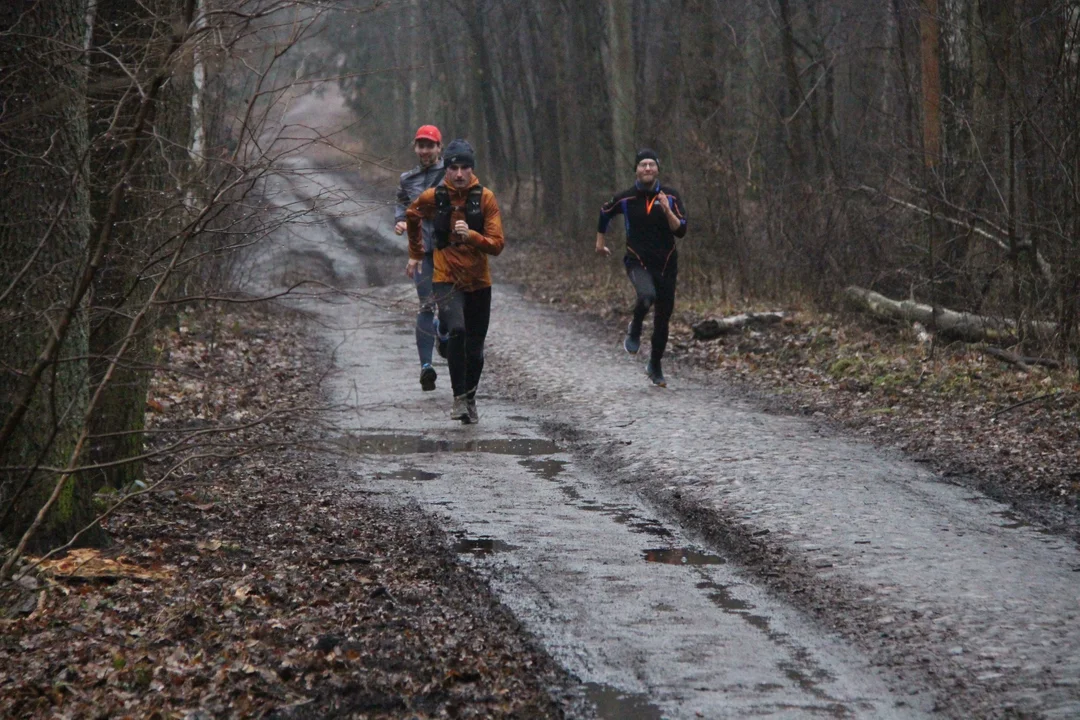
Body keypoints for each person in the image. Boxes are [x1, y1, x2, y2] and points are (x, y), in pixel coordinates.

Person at [406, 139, 504, 423]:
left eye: (464, 167)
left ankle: (470, 397)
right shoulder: (434, 197)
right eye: (453, 168)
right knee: (458, 330)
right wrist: (415, 252)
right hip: (445, 277)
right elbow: (413, 214)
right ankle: (458, 398)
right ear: (446, 169)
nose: (459, 174)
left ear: (472, 169)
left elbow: (497, 245)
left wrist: (471, 236)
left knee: (475, 348)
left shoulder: (485, 198)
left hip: (478, 280)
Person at [595, 148, 688, 387]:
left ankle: (655, 365)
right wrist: (600, 243)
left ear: (658, 169)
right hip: (638, 261)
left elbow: (681, 231)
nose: (647, 168)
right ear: (636, 170)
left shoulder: (671, 196)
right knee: (647, 296)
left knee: (663, 318)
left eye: (651, 164)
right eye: (643, 164)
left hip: (667, 263)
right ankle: (635, 327)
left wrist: (667, 209)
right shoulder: (626, 198)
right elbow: (604, 213)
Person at [397, 124, 449, 392]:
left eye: (430, 145)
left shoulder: (452, 172)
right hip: (422, 252)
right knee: (426, 305)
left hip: (450, 251)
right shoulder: (407, 179)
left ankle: (442, 332)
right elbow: (401, 203)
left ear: (439, 147)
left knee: (450, 307)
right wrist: (400, 221)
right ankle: (426, 367)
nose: (426, 150)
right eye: (421, 145)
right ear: (415, 149)